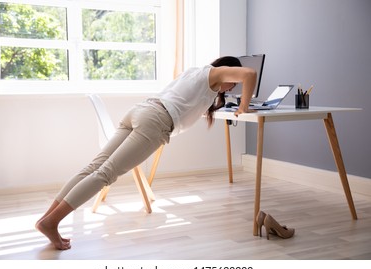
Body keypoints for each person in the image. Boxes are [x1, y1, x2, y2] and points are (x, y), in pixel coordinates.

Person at [35, 56, 257, 250]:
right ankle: (51, 222)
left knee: (94, 168)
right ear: (229, 71)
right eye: (233, 85)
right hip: (155, 121)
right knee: (105, 174)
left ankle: (47, 219)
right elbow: (250, 73)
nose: (232, 89)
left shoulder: (196, 73)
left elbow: (187, 104)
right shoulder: (214, 73)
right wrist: (244, 106)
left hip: (141, 110)